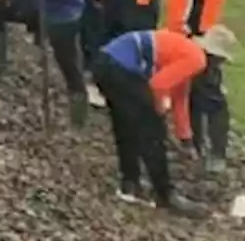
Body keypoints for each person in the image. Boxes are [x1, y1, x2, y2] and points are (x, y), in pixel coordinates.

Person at [92, 25, 237, 215]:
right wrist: (158, 113)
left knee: (126, 126)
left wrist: (186, 139)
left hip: (105, 63)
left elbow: (180, 99)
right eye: (221, 62)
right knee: (152, 133)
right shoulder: (197, 59)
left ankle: (130, 184)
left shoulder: (186, 52)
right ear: (214, 57)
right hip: (120, 68)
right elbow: (158, 85)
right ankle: (165, 195)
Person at [162, 0, 231, 174]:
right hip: (178, 34)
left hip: (199, 38)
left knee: (210, 94)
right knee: (186, 94)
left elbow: (212, 0)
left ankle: (218, 154)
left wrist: (202, 39)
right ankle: (194, 146)